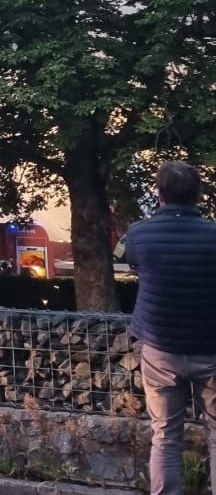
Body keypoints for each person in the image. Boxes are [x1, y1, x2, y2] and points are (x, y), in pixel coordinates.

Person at [119, 160, 216, 495]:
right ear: (198, 195)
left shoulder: (139, 233)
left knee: (165, 436)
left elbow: (133, 264)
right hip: (210, 347)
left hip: (160, 350)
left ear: (159, 194)